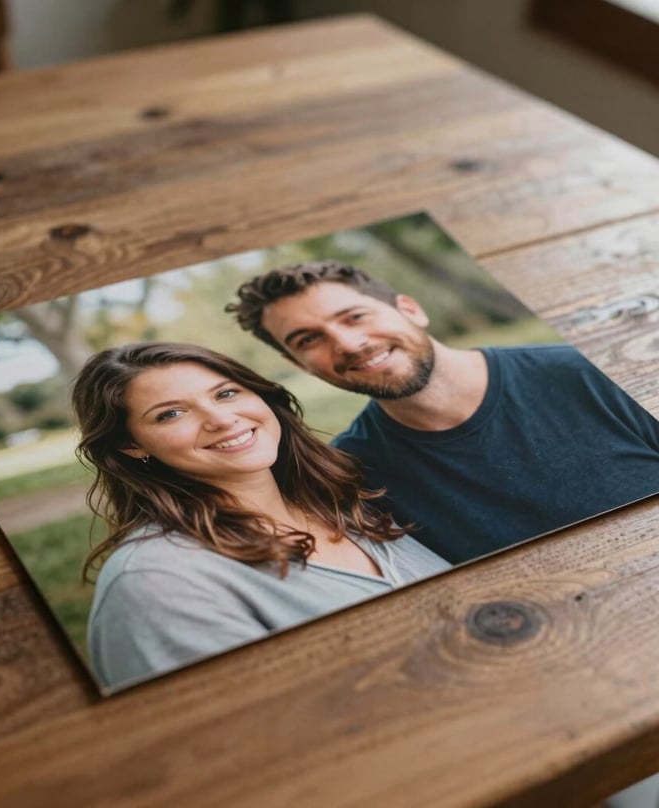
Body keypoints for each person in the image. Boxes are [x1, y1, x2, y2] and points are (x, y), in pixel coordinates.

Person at [72, 342, 450, 690]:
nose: (221, 418)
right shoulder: (156, 581)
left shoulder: (347, 502)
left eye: (226, 393)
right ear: (131, 446)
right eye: (171, 414)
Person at [227, 261, 659, 564]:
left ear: (410, 309)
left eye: (355, 316)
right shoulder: (352, 476)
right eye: (307, 340)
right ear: (299, 365)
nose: (348, 344)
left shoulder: (591, 373)